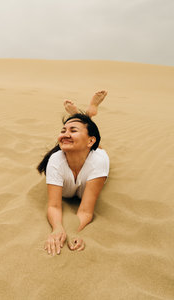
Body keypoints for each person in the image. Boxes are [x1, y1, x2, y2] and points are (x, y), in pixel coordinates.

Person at [37, 91, 109, 256]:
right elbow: (54, 206)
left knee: (98, 147)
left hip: (94, 154)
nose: (65, 134)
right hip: (84, 152)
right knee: (85, 143)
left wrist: (73, 231)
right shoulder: (55, 160)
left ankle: (88, 115)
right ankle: (81, 117)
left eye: (73, 130)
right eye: (63, 131)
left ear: (90, 140)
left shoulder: (99, 161)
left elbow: (85, 211)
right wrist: (57, 229)